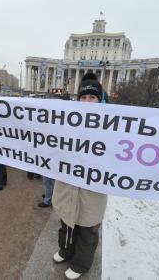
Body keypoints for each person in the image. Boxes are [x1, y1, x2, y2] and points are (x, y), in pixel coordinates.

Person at [52, 73, 107, 280]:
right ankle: (66, 251)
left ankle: (81, 264)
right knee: (66, 221)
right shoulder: (66, 122)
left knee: (87, 229)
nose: (87, 102)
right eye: (83, 98)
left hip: (93, 190)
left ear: (99, 99)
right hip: (67, 184)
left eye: (92, 98)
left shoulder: (112, 125)